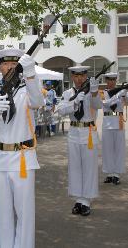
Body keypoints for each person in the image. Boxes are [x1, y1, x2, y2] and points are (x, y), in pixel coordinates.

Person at [0, 48, 44, 248]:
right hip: (0, 158)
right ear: (0, 68)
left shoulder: (27, 91)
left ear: (18, 67)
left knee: (24, 212)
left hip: (22, 159)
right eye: (6, 64)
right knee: (2, 212)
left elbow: (38, 102)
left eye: (14, 64)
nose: (10, 67)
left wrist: (30, 74)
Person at [56, 66, 102, 216]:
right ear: (72, 77)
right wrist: (74, 102)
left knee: (89, 167)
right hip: (74, 132)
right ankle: (78, 199)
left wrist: (94, 92)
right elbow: (61, 110)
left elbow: (98, 105)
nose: (79, 79)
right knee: (75, 167)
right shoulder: (67, 93)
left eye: (82, 76)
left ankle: (86, 201)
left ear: (86, 76)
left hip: (88, 132)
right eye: (76, 76)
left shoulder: (92, 91)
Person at [101, 72, 128, 185]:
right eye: (109, 80)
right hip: (107, 122)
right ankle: (109, 174)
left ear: (116, 80)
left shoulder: (122, 91)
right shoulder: (102, 93)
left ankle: (116, 174)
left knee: (119, 150)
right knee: (107, 150)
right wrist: (118, 95)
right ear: (106, 80)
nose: (111, 82)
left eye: (114, 80)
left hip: (118, 122)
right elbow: (105, 104)